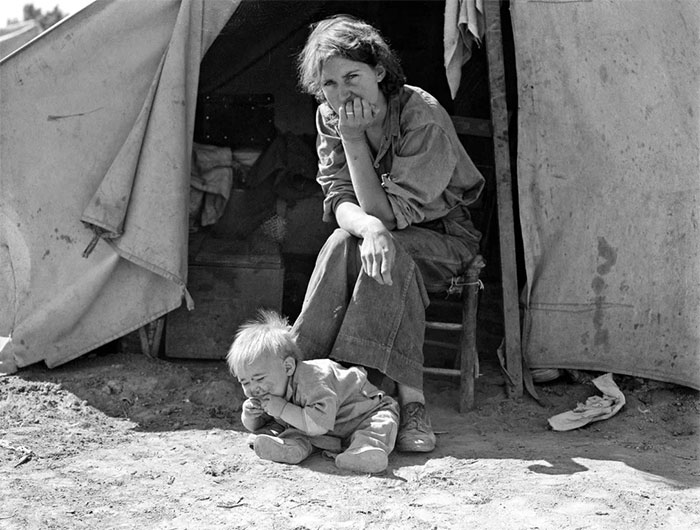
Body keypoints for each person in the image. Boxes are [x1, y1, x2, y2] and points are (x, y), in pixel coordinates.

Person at [292, 15, 484, 453]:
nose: (342, 94)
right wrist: (369, 227)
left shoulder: (423, 117)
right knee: (344, 242)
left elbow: (391, 214)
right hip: (379, 233)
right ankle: (304, 379)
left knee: (388, 251)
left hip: (444, 236)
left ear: (379, 71)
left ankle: (395, 400)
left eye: (353, 76)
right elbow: (340, 198)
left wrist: (354, 139)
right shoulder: (329, 116)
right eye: (330, 84)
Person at [226, 310, 400, 474]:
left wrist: (282, 409)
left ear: (288, 367)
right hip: (323, 428)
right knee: (295, 429)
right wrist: (250, 416)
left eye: (259, 378)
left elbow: (318, 424)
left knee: (378, 427)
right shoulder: (274, 389)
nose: (253, 388)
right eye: (245, 382)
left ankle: (363, 453)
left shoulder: (313, 380)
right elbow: (262, 423)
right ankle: (289, 448)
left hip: (364, 414)